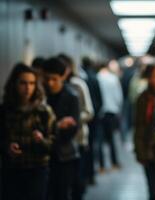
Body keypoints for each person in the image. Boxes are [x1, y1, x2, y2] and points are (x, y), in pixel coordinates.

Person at [0, 63, 55, 200]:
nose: (28, 88)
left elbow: (54, 144)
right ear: (15, 84)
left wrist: (41, 141)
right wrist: (7, 147)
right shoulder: (5, 110)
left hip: (37, 169)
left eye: (32, 83)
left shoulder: (43, 111)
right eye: (23, 83)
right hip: (12, 170)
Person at [43, 57, 81, 200]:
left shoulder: (72, 96)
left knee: (62, 193)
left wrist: (47, 132)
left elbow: (71, 130)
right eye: (47, 79)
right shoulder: (41, 96)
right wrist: (57, 125)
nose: (50, 83)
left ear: (62, 77)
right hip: (43, 155)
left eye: (54, 79)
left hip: (64, 155)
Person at [59, 54, 94, 199]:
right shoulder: (54, 87)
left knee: (77, 181)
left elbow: (89, 112)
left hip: (78, 139)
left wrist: (73, 120)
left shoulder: (78, 85)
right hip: (60, 141)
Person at [134, 64, 155, 200]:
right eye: (151, 77)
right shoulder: (143, 98)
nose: (154, 80)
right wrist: (139, 151)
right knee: (153, 190)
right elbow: (139, 126)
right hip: (148, 150)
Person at [96, 61, 123, 171]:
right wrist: (118, 109)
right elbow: (119, 96)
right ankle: (114, 163)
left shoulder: (97, 78)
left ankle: (102, 166)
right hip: (112, 111)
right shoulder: (113, 78)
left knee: (100, 140)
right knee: (112, 139)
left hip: (100, 112)